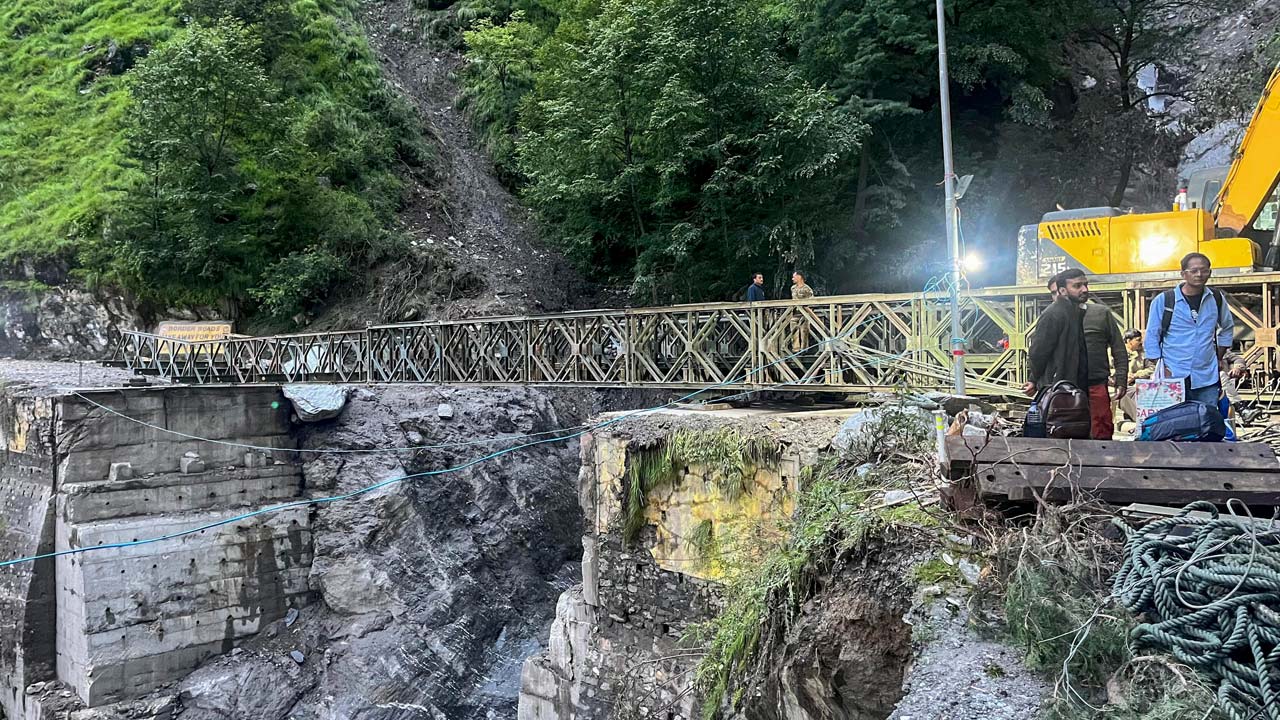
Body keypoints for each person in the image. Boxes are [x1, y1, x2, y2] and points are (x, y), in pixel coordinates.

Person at [1143, 253, 1235, 407]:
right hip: (1173, 377)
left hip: (1206, 378)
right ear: (1183, 274)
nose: (1199, 274)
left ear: (1210, 273)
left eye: (1204, 270)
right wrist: (1161, 367)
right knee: (1174, 420)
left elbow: (1227, 327)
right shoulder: (1165, 300)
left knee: (1206, 419)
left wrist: (1219, 356)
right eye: (1194, 271)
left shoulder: (1216, 298)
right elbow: (1152, 336)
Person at [1024, 268, 1090, 398]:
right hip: (1057, 390)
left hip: (1070, 389)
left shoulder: (1074, 312)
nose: (1085, 289)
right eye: (1077, 286)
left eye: (1085, 284)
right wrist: (1034, 379)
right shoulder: (1053, 314)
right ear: (1063, 291)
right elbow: (1038, 353)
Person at [1082, 295, 1128, 439]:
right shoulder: (1054, 315)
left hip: (1096, 383)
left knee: (1101, 430)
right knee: (1066, 429)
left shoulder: (1100, 314)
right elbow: (1042, 350)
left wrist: (1121, 379)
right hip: (1065, 386)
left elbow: (1118, 348)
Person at [1115, 329, 1149, 425]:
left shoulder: (1143, 354)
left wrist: (1136, 375)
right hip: (1119, 383)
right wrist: (1122, 376)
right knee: (1123, 392)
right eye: (1138, 340)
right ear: (1129, 341)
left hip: (1138, 383)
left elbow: (1151, 368)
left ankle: (1137, 418)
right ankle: (1139, 419)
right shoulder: (1117, 352)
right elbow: (1109, 369)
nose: (1140, 342)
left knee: (1135, 391)